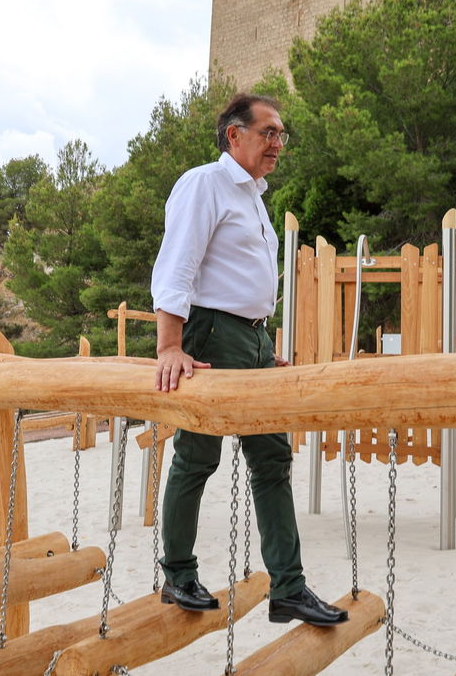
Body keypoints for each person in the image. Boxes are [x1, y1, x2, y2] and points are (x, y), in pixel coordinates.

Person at [150, 93, 348, 627]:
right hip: (211, 334)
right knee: (197, 456)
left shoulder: (253, 197)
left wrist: (262, 348)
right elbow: (177, 266)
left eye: (282, 134)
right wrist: (171, 346)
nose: (278, 143)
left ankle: (288, 588)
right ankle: (178, 574)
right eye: (269, 132)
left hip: (254, 341)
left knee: (272, 461)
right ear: (234, 135)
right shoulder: (204, 184)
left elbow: (244, 281)